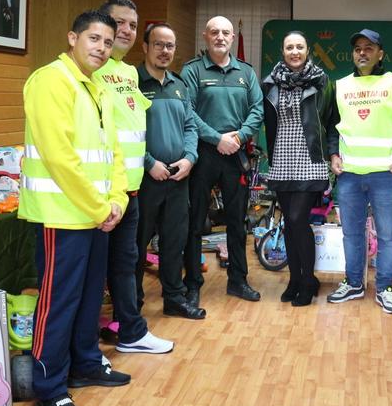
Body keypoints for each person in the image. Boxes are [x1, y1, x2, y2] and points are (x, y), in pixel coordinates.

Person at [20, 10, 133, 406]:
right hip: (62, 217)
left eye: (108, 42)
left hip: (97, 215)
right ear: (72, 38)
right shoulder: (51, 80)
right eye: (95, 39)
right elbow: (60, 157)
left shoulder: (98, 86)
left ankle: (86, 363)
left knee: (90, 298)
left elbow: (113, 152)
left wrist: (117, 199)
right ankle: (49, 386)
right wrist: (100, 207)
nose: (102, 48)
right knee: (59, 302)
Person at [92, 0, 174, 353]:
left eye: (131, 25)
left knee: (127, 265)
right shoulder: (92, 69)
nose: (125, 30)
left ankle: (131, 332)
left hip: (131, 188)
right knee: (96, 272)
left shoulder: (127, 73)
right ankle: (87, 344)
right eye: (118, 23)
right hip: (100, 192)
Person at [325, 29, 392, 314]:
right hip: (351, 174)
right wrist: (333, 154)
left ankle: (384, 288)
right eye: (357, 48)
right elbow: (333, 126)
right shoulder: (340, 85)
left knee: (388, 235)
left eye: (369, 48)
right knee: (352, 234)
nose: (362, 53)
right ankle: (354, 283)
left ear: (380, 53)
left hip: (386, 174)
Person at [181, 16, 264, 303]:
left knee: (237, 221)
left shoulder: (246, 72)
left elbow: (257, 109)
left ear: (232, 38)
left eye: (225, 33)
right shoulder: (192, 71)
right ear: (205, 36)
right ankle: (192, 283)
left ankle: (238, 280)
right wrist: (218, 139)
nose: (220, 37)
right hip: (203, 154)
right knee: (196, 221)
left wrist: (239, 137)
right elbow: (187, 111)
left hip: (236, 155)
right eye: (214, 32)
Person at [136, 22, 203, 320]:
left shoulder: (179, 85)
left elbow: (190, 125)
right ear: (145, 47)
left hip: (178, 178)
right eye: (159, 44)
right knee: (136, 245)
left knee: (174, 242)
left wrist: (189, 158)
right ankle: (132, 303)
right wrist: (150, 163)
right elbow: (125, 132)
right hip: (145, 179)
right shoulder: (133, 84)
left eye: (170, 46)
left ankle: (174, 299)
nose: (165, 51)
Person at [261, 31, 331, 306]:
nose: (294, 51)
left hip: (309, 158)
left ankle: (308, 280)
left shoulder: (321, 80)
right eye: (289, 47)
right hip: (281, 158)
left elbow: (329, 119)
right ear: (283, 51)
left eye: (299, 47)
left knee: (298, 219)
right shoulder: (270, 82)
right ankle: (294, 279)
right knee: (289, 224)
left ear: (307, 51)